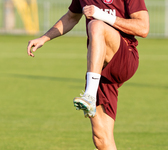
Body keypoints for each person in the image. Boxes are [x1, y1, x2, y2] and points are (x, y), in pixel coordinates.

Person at [27, 0, 149, 149]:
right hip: (100, 72)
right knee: (101, 139)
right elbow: (71, 17)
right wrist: (44, 38)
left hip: (125, 57)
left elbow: (143, 28)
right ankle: (90, 96)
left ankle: (89, 96)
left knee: (96, 25)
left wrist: (101, 15)